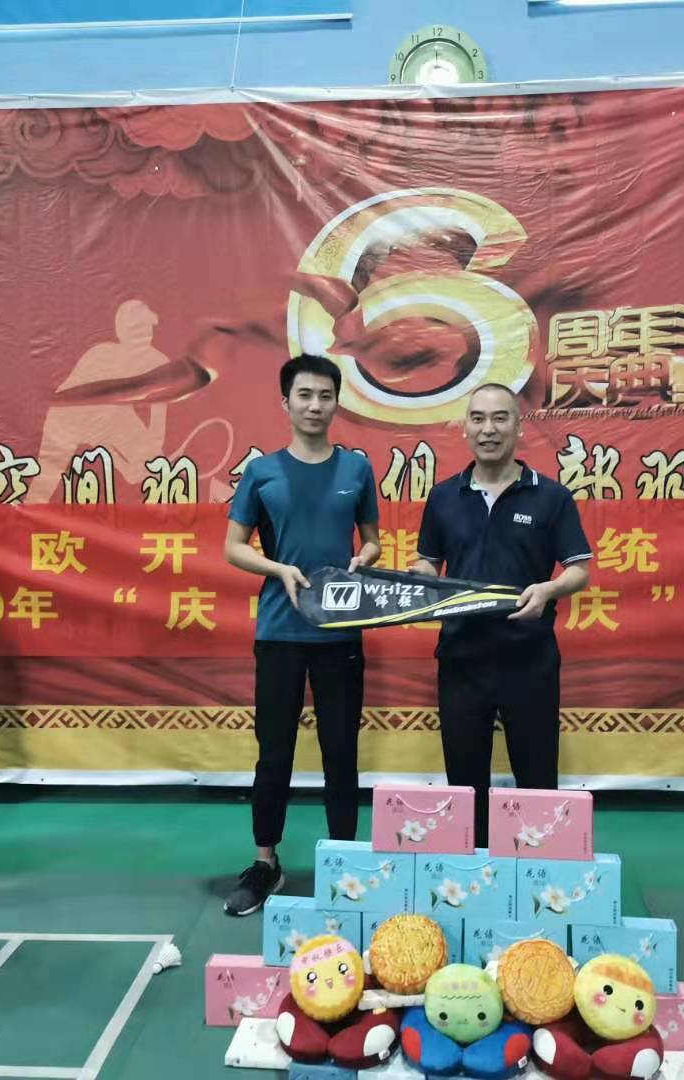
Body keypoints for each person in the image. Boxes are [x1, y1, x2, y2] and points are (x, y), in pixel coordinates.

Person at [221, 354, 379, 916]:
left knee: (341, 751)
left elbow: (371, 540)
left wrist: (363, 559)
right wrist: (279, 569)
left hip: (340, 633)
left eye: (325, 396)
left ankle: (344, 861)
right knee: (274, 752)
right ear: (285, 403)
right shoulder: (262, 473)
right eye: (304, 395)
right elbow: (233, 547)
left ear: (337, 402)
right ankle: (265, 862)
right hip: (280, 633)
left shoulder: (356, 470)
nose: (315, 405)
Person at [410, 383, 592, 848]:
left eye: (499, 418)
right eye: (477, 418)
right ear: (465, 428)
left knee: (537, 778)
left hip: (529, 659)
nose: (487, 429)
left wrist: (550, 588)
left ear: (518, 426)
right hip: (461, 658)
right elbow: (428, 561)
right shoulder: (444, 497)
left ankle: (538, 872)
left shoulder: (550, 497)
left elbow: (578, 569)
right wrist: (421, 576)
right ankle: (470, 870)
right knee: (464, 783)